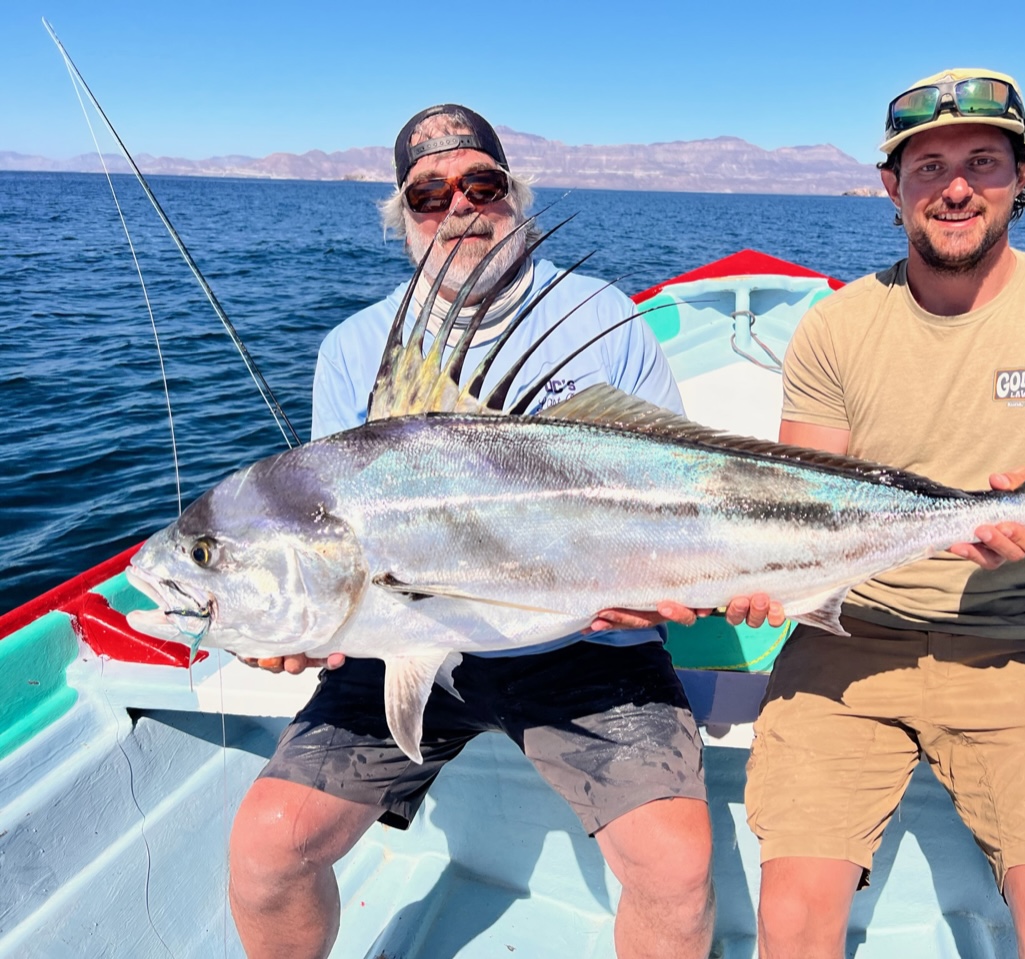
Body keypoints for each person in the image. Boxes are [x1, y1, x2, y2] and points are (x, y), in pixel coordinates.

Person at [227, 103, 778, 959]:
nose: (459, 207)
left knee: (675, 869)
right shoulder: (353, 350)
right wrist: (288, 621)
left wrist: (685, 589)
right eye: (429, 194)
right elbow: (331, 535)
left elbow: (681, 483)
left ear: (514, 196)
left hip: (590, 646)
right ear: (401, 218)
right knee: (266, 849)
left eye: (481, 184)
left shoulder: (602, 318)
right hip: (400, 646)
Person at [746, 69, 1025, 959]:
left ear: (1022, 179)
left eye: (983, 160)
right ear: (892, 188)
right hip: (847, 635)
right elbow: (806, 502)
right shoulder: (836, 326)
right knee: (789, 919)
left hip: (1016, 639)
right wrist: (760, 578)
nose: (956, 186)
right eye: (927, 167)